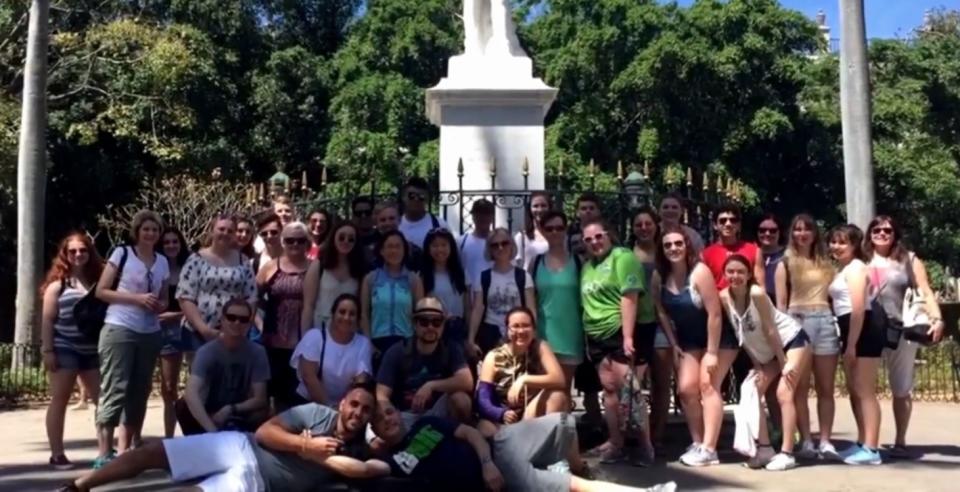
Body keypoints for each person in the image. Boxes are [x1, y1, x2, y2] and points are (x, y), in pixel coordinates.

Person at [62, 379, 384, 492]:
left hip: (258, 481)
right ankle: (79, 486)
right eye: (353, 404)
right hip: (239, 446)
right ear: (342, 403)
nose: (357, 413)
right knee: (153, 452)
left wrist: (324, 457)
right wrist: (304, 444)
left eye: (365, 410)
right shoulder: (317, 413)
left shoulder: (359, 449)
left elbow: (372, 470)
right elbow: (264, 432)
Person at [371, 401, 678, 492]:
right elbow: (363, 468)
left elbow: (471, 433)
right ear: (378, 432)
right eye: (381, 418)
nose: (389, 418)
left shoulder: (427, 424)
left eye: (390, 411)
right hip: (503, 474)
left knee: (563, 421)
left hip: (498, 447)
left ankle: (565, 463)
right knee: (572, 486)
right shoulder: (396, 458)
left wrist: (486, 462)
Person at [652, 225, 737, 467]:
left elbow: (715, 315)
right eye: (668, 245)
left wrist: (711, 353)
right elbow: (660, 310)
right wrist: (673, 342)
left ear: (687, 245)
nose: (673, 249)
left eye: (678, 243)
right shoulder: (660, 275)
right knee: (686, 390)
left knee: (707, 385)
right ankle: (698, 442)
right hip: (688, 340)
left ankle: (710, 449)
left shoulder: (699, 272)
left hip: (719, 339)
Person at [720, 254, 812, 471]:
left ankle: (788, 452)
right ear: (724, 274)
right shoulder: (725, 297)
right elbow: (741, 333)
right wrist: (758, 364)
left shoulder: (757, 294)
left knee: (784, 392)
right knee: (751, 388)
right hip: (767, 352)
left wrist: (783, 363)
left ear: (749, 274)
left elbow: (771, 330)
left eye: (741, 272)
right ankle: (764, 448)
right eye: (730, 272)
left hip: (791, 341)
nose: (735, 276)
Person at [94, 210, 171, 467]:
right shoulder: (122, 253)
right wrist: (136, 299)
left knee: (140, 390)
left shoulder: (162, 261)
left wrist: (159, 305)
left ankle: (125, 450)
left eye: (155, 230)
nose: (151, 234)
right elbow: (102, 291)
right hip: (120, 326)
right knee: (116, 387)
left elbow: (164, 298)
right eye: (146, 229)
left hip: (150, 331)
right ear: (137, 231)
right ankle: (104, 453)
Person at [864, 215, 943, 459]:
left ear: (895, 234)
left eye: (887, 230)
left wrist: (937, 318)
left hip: (902, 329)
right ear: (870, 234)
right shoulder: (861, 259)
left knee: (901, 388)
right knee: (864, 389)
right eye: (876, 229)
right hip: (870, 329)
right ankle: (867, 440)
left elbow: (925, 290)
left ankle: (900, 440)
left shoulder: (908, 259)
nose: (882, 233)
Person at [579, 220, 656, 465]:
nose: (594, 242)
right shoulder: (587, 267)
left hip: (619, 331)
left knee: (630, 391)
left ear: (609, 235)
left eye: (598, 236)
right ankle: (616, 442)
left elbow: (629, 297)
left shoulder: (622, 257)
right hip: (596, 336)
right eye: (588, 239)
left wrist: (628, 336)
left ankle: (645, 446)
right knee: (610, 390)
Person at [774, 213, 839, 460]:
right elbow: (780, 303)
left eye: (807, 229)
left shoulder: (826, 262)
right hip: (797, 320)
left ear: (814, 233)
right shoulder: (785, 262)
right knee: (800, 388)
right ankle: (807, 440)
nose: (802, 234)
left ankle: (825, 440)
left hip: (824, 319)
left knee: (826, 387)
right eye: (798, 229)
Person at [41, 232, 104, 470]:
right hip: (64, 346)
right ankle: (57, 453)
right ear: (65, 255)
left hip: (92, 348)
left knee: (102, 400)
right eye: (73, 251)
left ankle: (105, 451)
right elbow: (47, 320)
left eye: (83, 250)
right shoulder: (57, 286)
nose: (78, 254)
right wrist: (48, 351)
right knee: (60, 399)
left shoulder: (98, 283)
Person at [828, 224, 884, 466]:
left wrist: (851, 344)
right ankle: (862, 441)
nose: (837, 247)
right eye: (834, 241)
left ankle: (872, 448)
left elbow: (858, 308)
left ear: (854, 245)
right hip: (849, 328)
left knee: (865, 391)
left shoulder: (857, 268)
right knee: (855, 390)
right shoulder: (843, 269)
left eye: (843, 242)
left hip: (863, 329)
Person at [376, 297, 473, 428]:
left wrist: (431, 386)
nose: (430, 327)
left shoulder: (451, 348)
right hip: (405, 414)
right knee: (377, 443)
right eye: (424, 321)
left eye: (436, 322)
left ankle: (456, 439)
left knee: (462, 400)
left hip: (439, 412)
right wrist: (390, 415)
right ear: (415, 324)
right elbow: (381, 395)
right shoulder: (397, 351)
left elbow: (467, 381)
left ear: (443, 325)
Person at [176, 299, 270, 435]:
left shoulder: (258, 352)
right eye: (231, 318)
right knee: (182, 406)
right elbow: (191, 393)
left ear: (249, 324)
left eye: (243, 320)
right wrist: (213, 431)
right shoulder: (207, 351)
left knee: (262, 411)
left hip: (239, 411)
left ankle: (248, 442)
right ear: (223, 320)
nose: (237, 323)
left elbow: (260, 398)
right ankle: (201, 440)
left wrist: (230, 409)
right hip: (210, 412)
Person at [476, 307, 568, 437]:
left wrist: (524, 379)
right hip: (503, 418)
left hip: (530, 414)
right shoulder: (493, 356)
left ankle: (549, 452)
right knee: (483, 428)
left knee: (557, 396)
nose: (521, 331)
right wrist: (500, 413)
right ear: (508, 330)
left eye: (526, 326)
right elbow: (483, 399)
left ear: (534, 329)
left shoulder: (540, 347)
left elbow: (559, 380)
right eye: (515, 326)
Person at [178, 214, 258, 354]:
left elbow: (251, 297)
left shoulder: (243, 261)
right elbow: (185, 296)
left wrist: (243, 328)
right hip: (198, 333)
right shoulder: (196, 259)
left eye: (230, 231)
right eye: (221, 229)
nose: (225, 233)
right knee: (200, 374)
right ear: (212, 230)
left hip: (233, 332)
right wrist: (204, 330)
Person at [257, 221, 311, 410]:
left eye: (300, 240)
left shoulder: (315, 268)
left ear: (307, 243)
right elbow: (252, 299)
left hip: (304, 342)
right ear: (282, 242)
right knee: (273, 398)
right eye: (290, 240)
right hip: (273, 343)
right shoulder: (270, 268)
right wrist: (260, 324)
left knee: (300, 396)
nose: (295, 245)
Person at [631, 207, 671, 451]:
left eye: (648, 223)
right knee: (633, 384)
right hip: (636, 324)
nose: (644, 228)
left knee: (661, 383)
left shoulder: (665, 252)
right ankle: (637, 434)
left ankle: (657, 434)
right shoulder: (626, 254)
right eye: (639, 224)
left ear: (656, 225)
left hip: (663, 322)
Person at [532, 211, 583, 391]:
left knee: (564, 390)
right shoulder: (536, 263)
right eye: (550, 228)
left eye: (559, 228)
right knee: (543, 391)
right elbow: (531, 301)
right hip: (543, 337)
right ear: (543, 231)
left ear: (565, 230)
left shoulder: (578, 262)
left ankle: (564, 421)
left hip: (570, 336)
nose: (555, 232)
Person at [292, 294, 374, 405]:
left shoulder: (363, 343)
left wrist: (344, 409)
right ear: (333, 314)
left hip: (344, 408)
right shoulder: (314, 337)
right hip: (309, 403)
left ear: (357, 319)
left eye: (352, 314)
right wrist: (330, 409)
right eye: (342, 312)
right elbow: (309, 377)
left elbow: (361, 381)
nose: (346, 317)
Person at [468, 228, 536, 359]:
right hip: (490, 334)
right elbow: (477, 309)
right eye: (495, 245)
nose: (500, 248)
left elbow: (530, 308)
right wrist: (471, 339)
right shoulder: (483, 277)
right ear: (490, 250)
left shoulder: (523, 276)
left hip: (518, 333)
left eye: (505, 243)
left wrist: (533, 335)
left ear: (511, 245)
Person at [361, 230, 424, 356]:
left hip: (406, 343)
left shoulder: (413, 280)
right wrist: (369, 344)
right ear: (382, 251)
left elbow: (420, 315)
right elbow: (364, 314)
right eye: (389, 247)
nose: (394, 251)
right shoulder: (371, 279)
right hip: (378, 344)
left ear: (404, 250)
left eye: (398, 246)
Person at [301, 221, 366, 331]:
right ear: (333, 238)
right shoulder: (319, 265)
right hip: (320, 330)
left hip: (348, 332)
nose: (346, 241)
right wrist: (305, 338)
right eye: (341, 237)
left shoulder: (360, 270)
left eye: (351, 239)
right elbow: (308, 306)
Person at [156, 227, 190, 439]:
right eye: (167, 242)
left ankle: (172, 436)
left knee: (173, 386)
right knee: (164, 388)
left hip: (181, 329)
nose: (171, 246)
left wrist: (173, 316)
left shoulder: (188, 268)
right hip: (155, 329)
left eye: (175, 242)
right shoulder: (155, 268)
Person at [420, 228, 470, 344]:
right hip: (433, 328)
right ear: (428, 248)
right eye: (435, 246)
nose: (440, 249)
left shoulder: (461, 273)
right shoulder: (422, 276)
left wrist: (468, 331)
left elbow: (467, 306)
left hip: (457, 328)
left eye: (444, 245)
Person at [701, 204, 764, 290]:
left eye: (733, 220)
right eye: (723, 221)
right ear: (715, 225)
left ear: (739, 225)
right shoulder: (705, 255)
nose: (728, 224)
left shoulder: (754, 251)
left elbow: (760, 287)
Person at [398, 177, 449, 250]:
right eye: (411, 196)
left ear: (427, 199)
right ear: (403, 197)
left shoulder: (439, 225)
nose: (416, 199)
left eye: (421, 196)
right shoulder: (395, 224)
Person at [459, 199, 495, 287]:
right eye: (479, 214)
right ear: (473, 216)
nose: (482, 217)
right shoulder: (461, 242)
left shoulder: (499, 243)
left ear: (492, 217)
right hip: (469, 296)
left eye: (486, 214)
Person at [514, 192, 551, 270]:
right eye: (535, 206)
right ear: (530, 209)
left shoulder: (557, 233)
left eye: (543, 206)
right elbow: (517, 265)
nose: (540, 210)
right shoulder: (522, 236)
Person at [758, 214, 785, 300]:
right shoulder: (751, 253)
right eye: (762, 230)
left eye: (773, 230)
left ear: (780, 232)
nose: (767, 233)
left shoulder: (787, 255)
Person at [568, 193, 602, 260]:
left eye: (591, 208)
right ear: (577, 212)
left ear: (598, 211)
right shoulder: (570, 231)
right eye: (583, 208)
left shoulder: (606, 231)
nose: (588, 211)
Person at [352, 196, 378, 264]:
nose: (363, 216)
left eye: (367, 212)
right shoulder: (348, 239)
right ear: (353, 216)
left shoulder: (383, 238)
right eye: (358, 213)